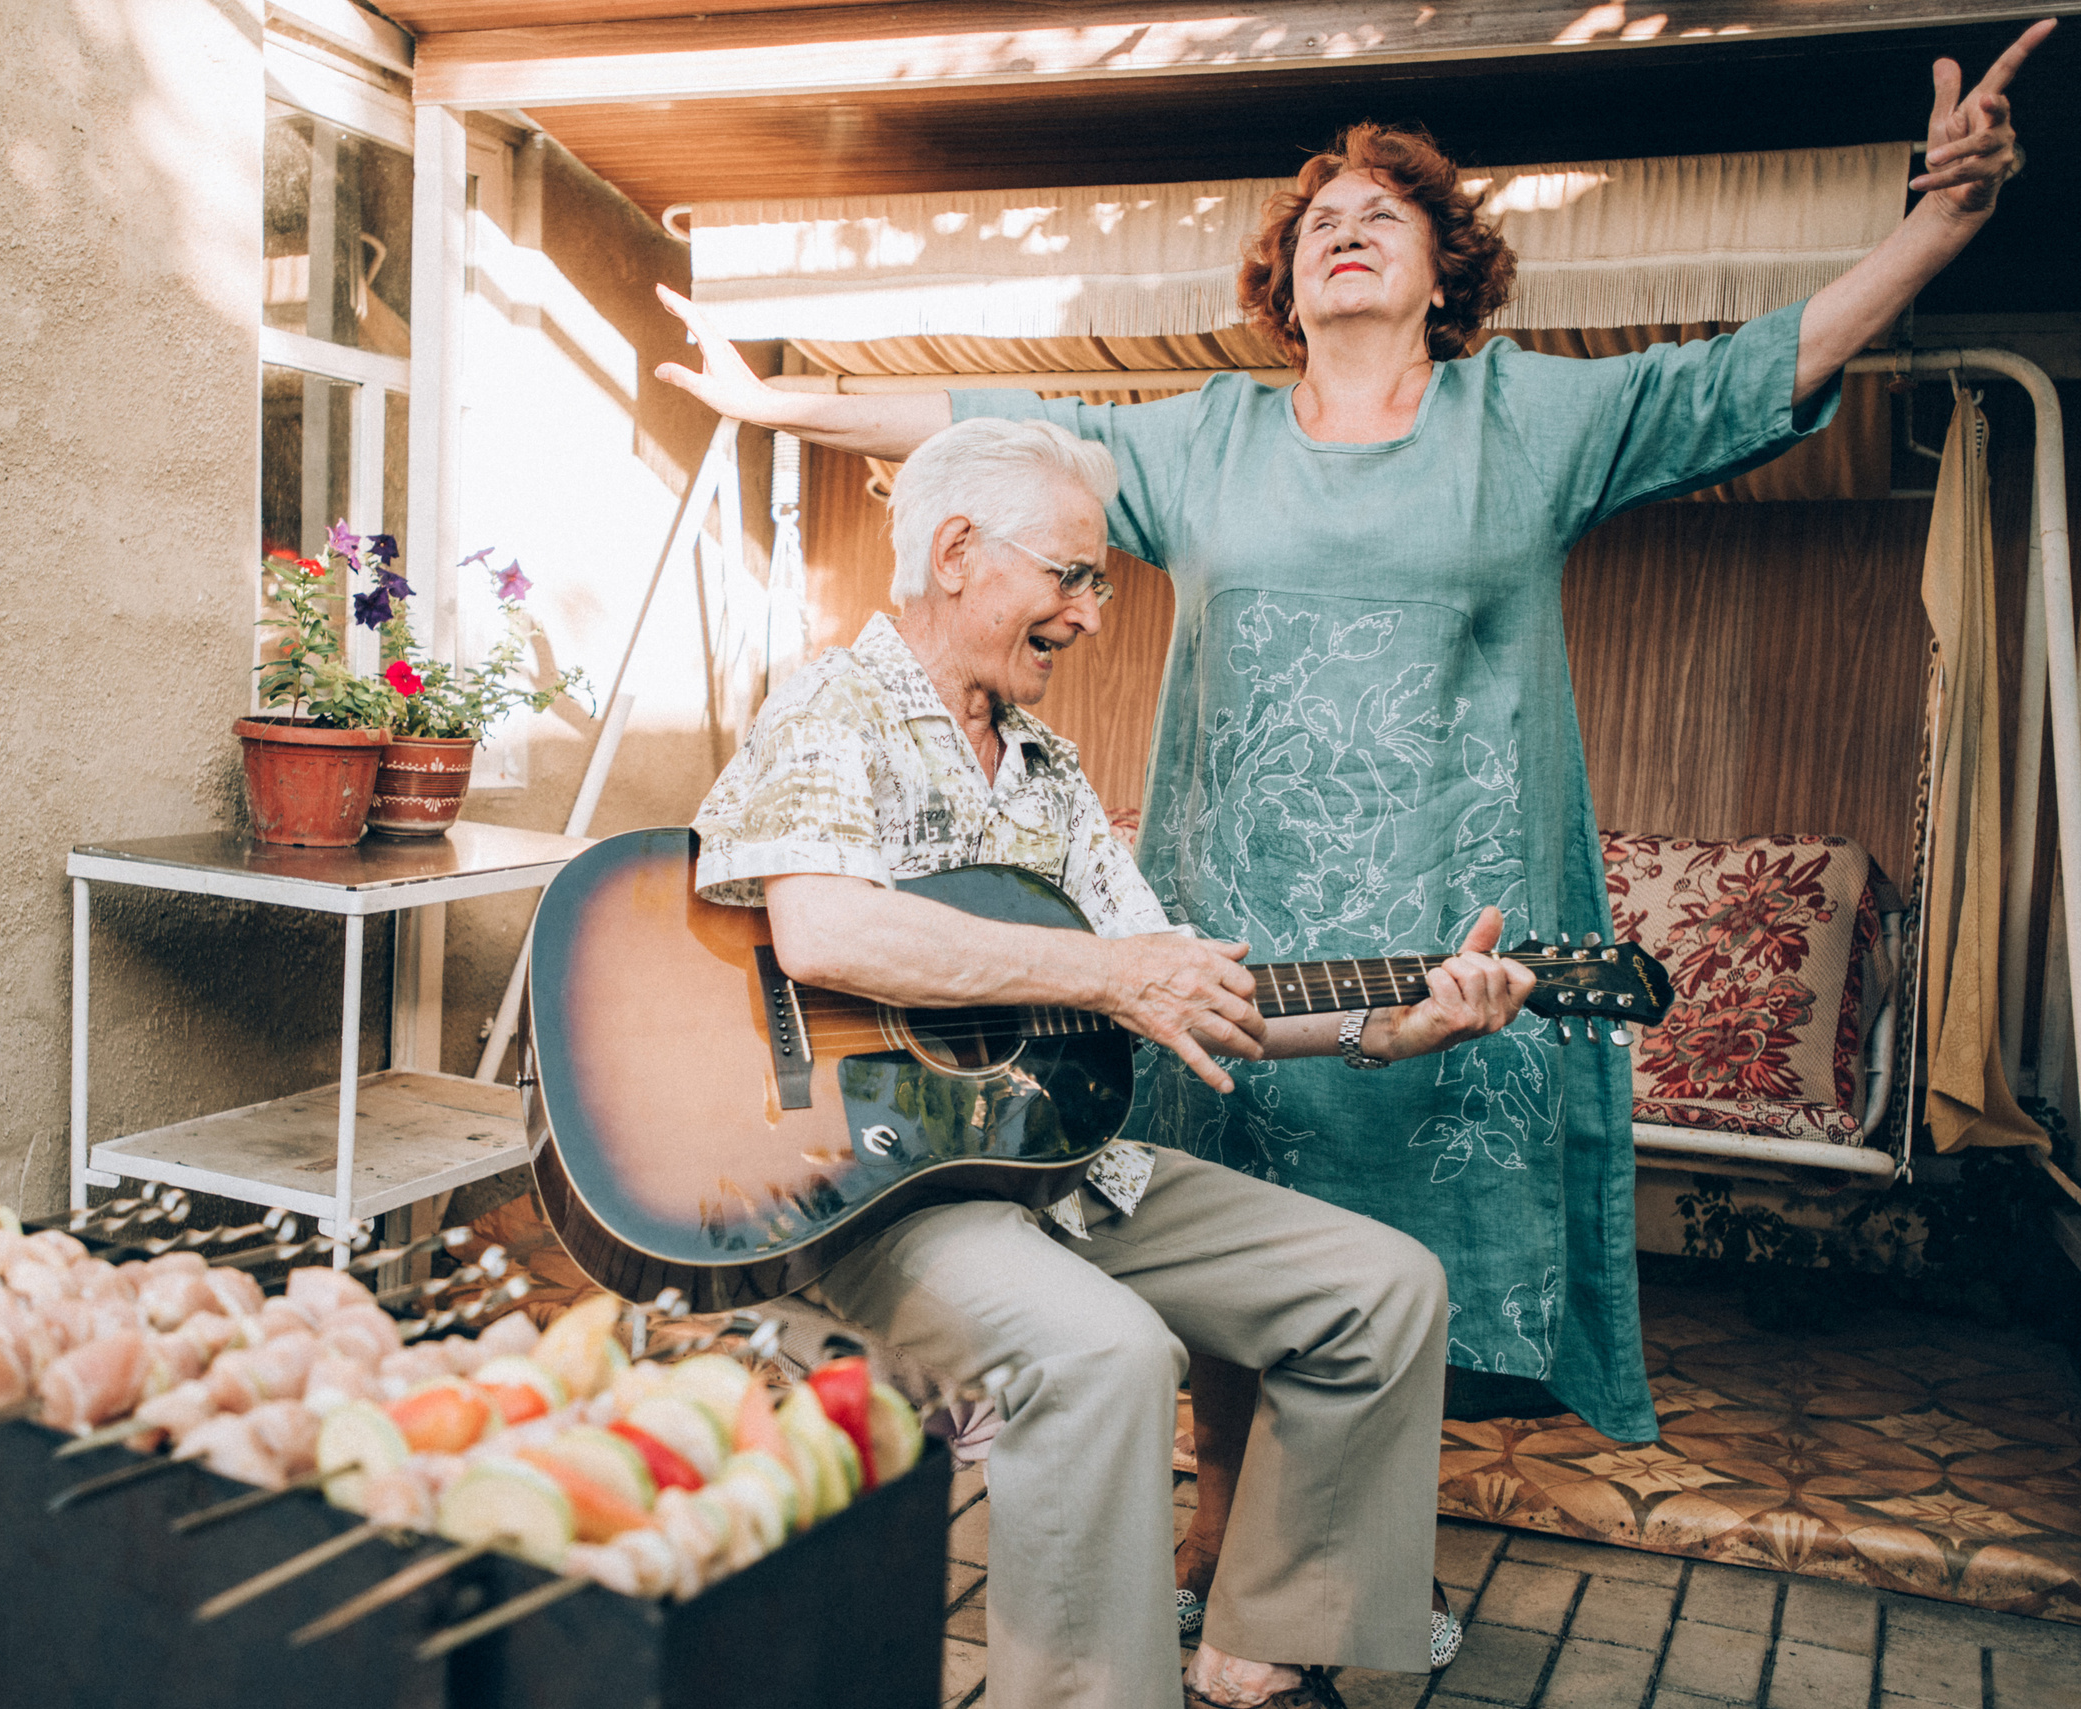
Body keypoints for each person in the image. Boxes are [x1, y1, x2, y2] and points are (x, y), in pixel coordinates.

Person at [658, 18, 2051, 1658]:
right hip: (1212, 916)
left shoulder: (1526, 419)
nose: (1347, 216)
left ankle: (1310, 1579)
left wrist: (1938, 229)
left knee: (1395, 1262)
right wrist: (781, 398)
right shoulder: (1199, 440)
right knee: (1211, 1212)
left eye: (1387, 205)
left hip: (1440, 916)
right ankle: (1214, 1536)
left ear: (1447, 266)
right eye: (1321, 207)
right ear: (1288, 272)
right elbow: (995, 460)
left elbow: (1743, 379)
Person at [691, 414, 1536, 1709]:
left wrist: (1389, 1020)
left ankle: (1254, 1647)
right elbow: (823, 926)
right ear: (961, 551)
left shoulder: (1046, 768)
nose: (1092, 612)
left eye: (1099, 581)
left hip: (1058, 1170)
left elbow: (1166, 969)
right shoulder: (832, 702)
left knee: (1381, 1288)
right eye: (1072, 575)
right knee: (1108, 1355)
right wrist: (1100, 973)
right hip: (880, 1192)